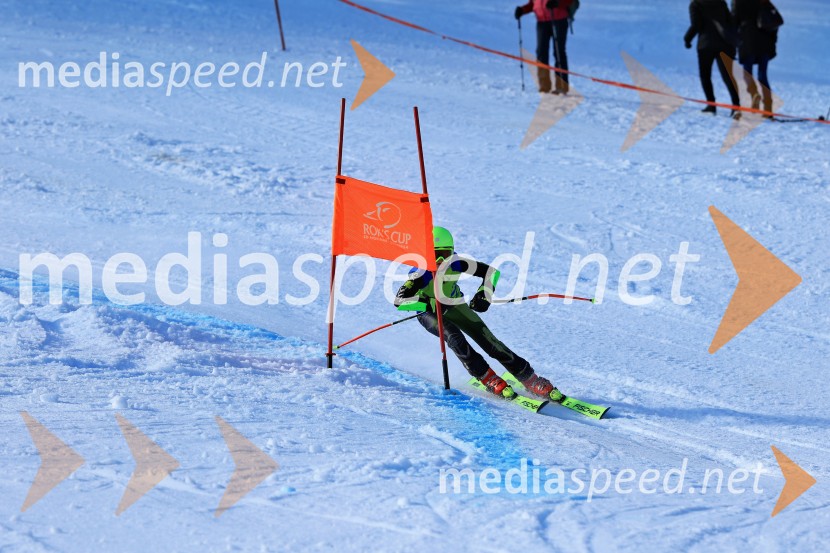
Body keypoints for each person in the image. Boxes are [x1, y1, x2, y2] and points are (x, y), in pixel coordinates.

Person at [394, 226, 564, 402]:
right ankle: (486, 376)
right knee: (454, 337)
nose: (439, 260)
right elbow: (400, 301)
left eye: (444, 253)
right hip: (429, 313)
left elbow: (491, 272)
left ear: (451, 252)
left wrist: (485, 293)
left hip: (454, 304)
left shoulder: (456, 263)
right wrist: (429, 302)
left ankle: (529, 378)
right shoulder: (422, 273)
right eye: (434, 255)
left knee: (488, 340)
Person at [684, 0, 742, 118]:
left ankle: (711, 105)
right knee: (728, 76)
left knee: (705, 76)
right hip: (724, 44)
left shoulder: (696, 4)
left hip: (706, 45)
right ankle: (736, 106)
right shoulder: (721, 3)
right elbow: (730, 21)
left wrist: (687, 38)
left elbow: (697, 25)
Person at [732, 0, 782, 117]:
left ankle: (754, 94)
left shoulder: (738, 3)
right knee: (762, 75)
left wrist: (734, 42)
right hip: (765, 43)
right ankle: (768, 109)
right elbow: (775, 23)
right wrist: (772, 43)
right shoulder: (765, 2)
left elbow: (733, 24)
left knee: (747, 74)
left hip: (747, 41)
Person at [514, 0, 577, 94]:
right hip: (542, 21)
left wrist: (558, 3)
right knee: (541, 52)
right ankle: (544, 86)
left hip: (558, 19)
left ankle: (562, 86)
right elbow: (533, 4)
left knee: (559, 52)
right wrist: (522, 10)